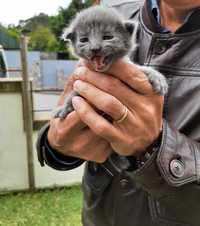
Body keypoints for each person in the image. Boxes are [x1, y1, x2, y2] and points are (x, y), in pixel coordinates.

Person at [36, 0, 200, 225]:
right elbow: (72, 101)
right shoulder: (110, 14)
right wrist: (55, 143)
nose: (94, 46)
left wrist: (154, 148)